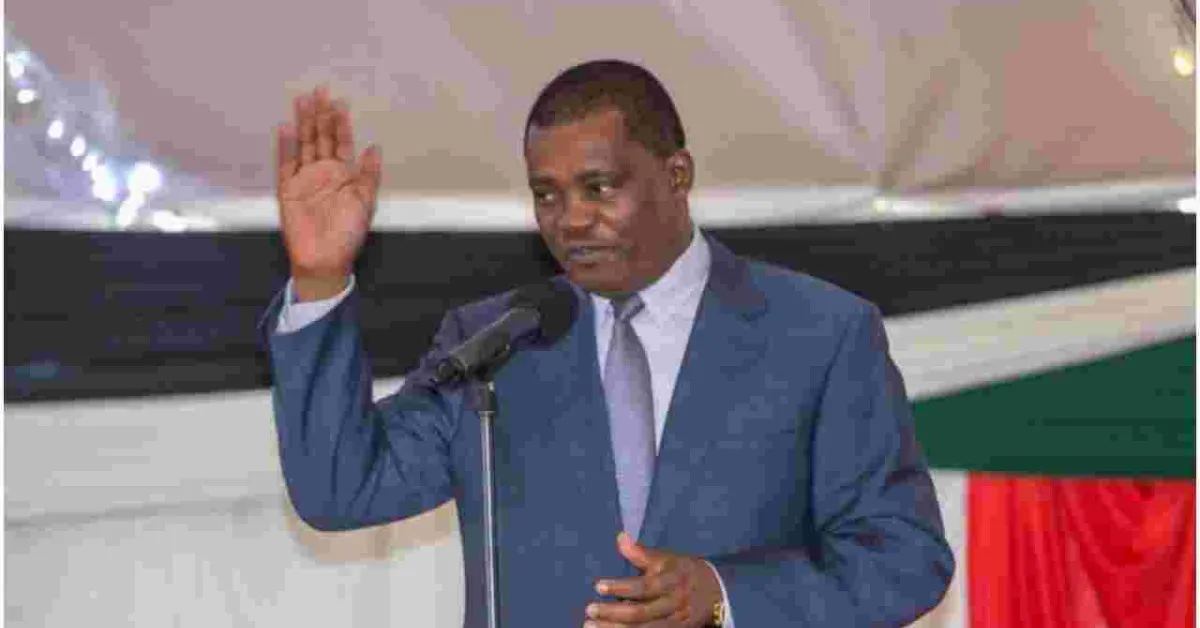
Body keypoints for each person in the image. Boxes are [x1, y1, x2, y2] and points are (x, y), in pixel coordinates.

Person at [262, 60, 953, 627]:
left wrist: (724, 596)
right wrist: (319, 277)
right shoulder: (496, 345)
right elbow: (341, 490)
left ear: (677, 176)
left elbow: (902, 559)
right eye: (547, 195)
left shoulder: (819, 333)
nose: (571, 220)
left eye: (598, 188)